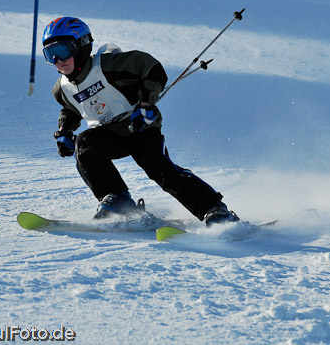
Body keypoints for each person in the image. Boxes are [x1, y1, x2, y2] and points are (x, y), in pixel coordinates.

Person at [42, 16, 240, 226]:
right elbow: (71, 109)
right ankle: (118, 201)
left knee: (157, 167)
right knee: (85, 144)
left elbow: (152, 70)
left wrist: (146, 104)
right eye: (49, 55)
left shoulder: (109, 66)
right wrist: (64, 130)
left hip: (139, 125)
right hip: (108, 134)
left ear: (81, 45)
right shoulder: (62, 87)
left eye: (62, 50)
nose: (57, 60)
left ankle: (214, 209)